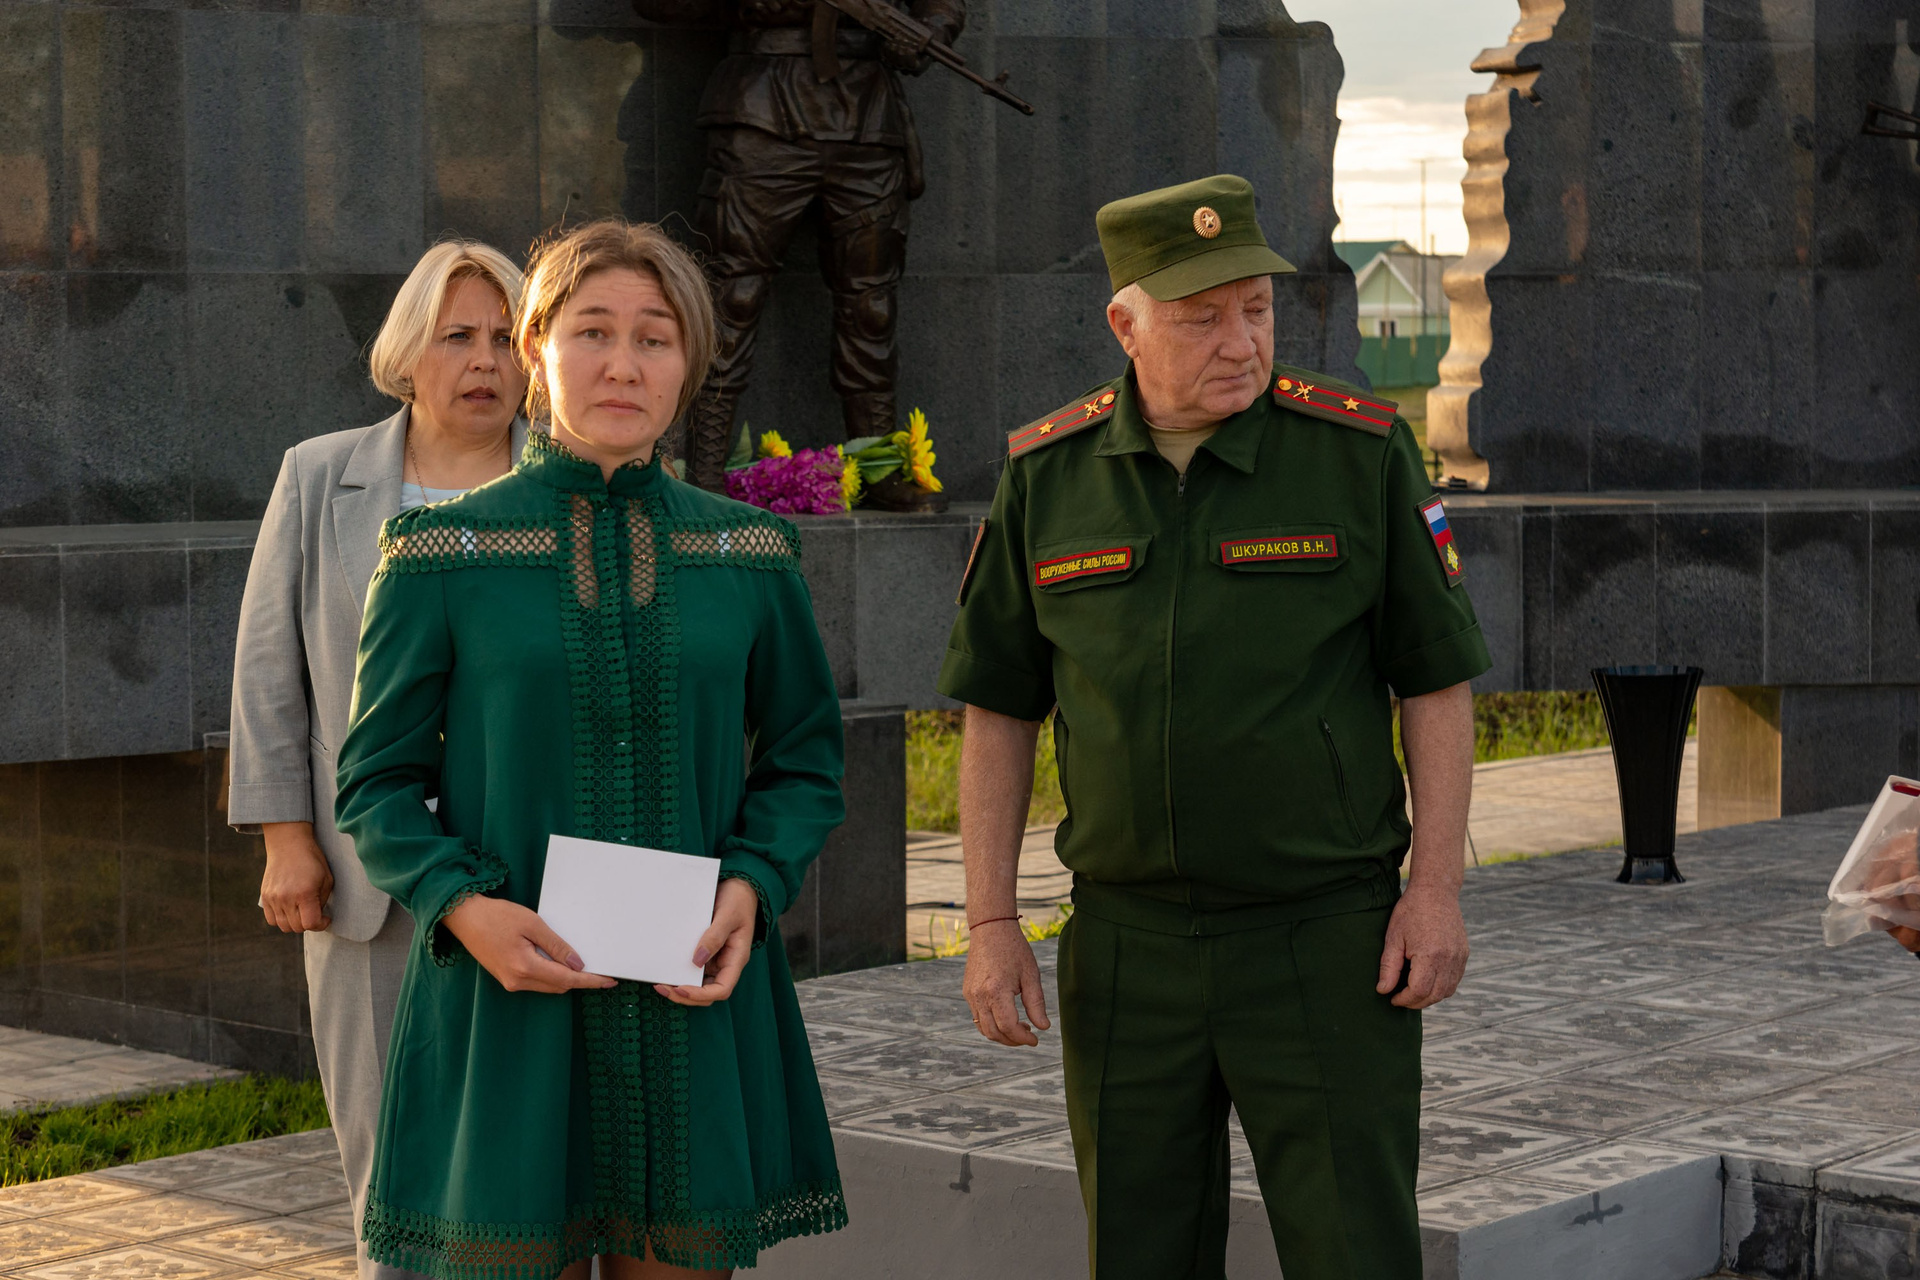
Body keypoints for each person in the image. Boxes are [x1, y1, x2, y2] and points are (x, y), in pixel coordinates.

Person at [939, 174, 1489, 1279]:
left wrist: (1434, 889)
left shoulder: (1356, 453)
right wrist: (990, 918)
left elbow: (1435, 684)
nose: (1241, 342)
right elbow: (998, 707)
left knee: (1355, 1251)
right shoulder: (1049, 474)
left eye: (1257, 308)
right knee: (1138, 1253)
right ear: (1126, 324)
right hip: (1126, 949)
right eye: (1202, 318)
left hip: (1324, 941)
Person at [333, 218, 848, 1280]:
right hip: (510, 1002)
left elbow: (804, 758)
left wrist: (752, 883)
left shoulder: (747, 554)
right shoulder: (442, 556)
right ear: (536, 349)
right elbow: (374, 782)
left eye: (655, 338)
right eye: (593, 331)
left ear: (689, 365)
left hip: (691, 1006)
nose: (624, 364)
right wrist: (461, 905)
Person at [228, 239, 531, 1277]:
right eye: (458, 336)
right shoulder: (320, 476)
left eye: (506, 337)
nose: (485, 360)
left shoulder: (570, 482)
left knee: (519, 1170)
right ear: (407, 353)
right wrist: (285, 839)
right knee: (391, 1174)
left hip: (526, 878)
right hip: (366, 882)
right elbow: (269, 667)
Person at [630, 0, 966, 488]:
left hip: (868, 117)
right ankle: (703, 470)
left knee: (872, 306)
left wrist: (931, 30)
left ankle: (880, 468)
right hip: (760, 109)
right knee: (730, 297)